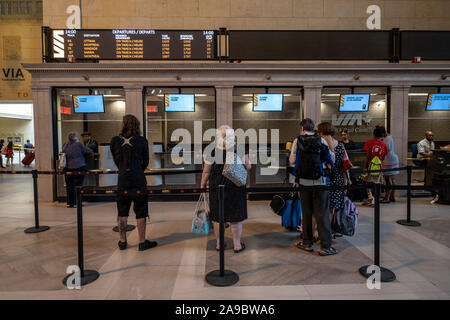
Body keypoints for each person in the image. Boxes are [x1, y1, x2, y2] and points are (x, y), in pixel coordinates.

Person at [289, 118, 338, 256]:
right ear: (313, 128)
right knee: (322, 214)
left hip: (303, 183)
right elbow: (331, 159)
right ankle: (325, 247)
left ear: (302, 129)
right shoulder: (321, 140)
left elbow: (292, 161)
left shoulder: (297, 141)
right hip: (320, 182)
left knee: (306, 214)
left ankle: (307, 244)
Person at [200, 125, 251, 253]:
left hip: (216, 187)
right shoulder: (238, 148)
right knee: (235, 217)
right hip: (235, 186)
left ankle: (219, 244)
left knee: (218, 217)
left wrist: (202, 185)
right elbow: (248, 166)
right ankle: (237, 245)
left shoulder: (211, 150)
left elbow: (206, 171)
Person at [110, 114, 157, 252]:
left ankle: (123, 241)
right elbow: (146, 161)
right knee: (141, 212)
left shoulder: (114, 141)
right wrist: (137, 170)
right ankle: (142, 242)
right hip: (138, 180)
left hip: (123, 181)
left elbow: (116, 160)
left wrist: (124, 170)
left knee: (122, 213)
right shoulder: (142, 141)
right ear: (137, 125)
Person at [318, 122, 346, 237]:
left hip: (326, 178)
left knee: (324, 207)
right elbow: (345, 162)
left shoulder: (321, 144)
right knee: (333, 207)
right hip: (338, 177)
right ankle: (332, 229)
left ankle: (326, 232)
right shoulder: (340, 144)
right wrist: (345, 178)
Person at [63, 132, 93, 208]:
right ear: (76, 138)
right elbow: (88, 151)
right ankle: (77, 202)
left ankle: (69, 203)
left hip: (69, 168)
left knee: (69, 186)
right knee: (78, 185)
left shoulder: (66, 145)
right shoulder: (78, 144)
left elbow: (63, 152)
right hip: (79, 167)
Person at [362, 126, 389, 206]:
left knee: (366, 181)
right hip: (379, 167)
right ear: (382, 135)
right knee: (377, 183)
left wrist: (364, 167)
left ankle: (370, 197)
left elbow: (367, 156)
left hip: (370, 166)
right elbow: (383, 157)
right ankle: (375, 198)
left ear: (374, 134)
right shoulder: (383, 145)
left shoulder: (369, 143)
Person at [379, 127, 399, 203]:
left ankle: (387, 198)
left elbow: (386, 149)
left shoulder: (387, 139)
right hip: (392, 159)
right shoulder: (389, 138)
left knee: (388, 180)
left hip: (389, 161)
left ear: (383, 133)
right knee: (392, 179)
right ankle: (392, 196)